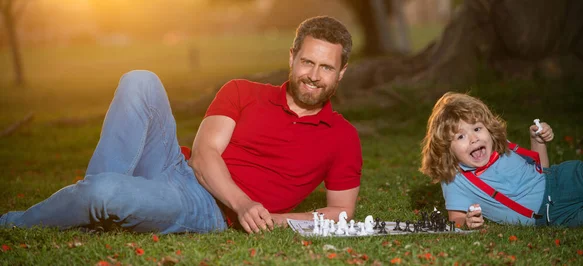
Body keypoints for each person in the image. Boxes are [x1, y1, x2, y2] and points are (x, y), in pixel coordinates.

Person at [0, 16, 362, 234]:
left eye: (326, 67)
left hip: (203, 207)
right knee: (140, 79)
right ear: (291, 57)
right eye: (307, 62)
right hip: (177, 167)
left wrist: (272, 219)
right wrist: (245, 202)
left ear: (341, 72)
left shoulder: (343, 137)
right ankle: (99, 204)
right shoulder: (242, 91)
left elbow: (340, 213)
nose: (313, 76)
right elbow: (204, 157)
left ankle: (16, 221)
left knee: (103, 192)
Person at [419, 92, 583, 229]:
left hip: (565, 178)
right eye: (460, 137)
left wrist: (537, 140)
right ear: (446, 148)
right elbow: (455, 218)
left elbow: (542, 170)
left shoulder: (499, 147)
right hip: (553, 214)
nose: (474, 139)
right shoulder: (455, 179)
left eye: (477, 128)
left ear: (488, 128)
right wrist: (467, 221)